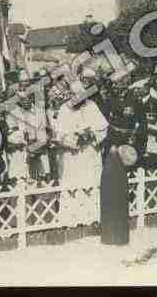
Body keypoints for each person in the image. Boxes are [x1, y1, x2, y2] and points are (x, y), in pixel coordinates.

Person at [52, 89, 108, 227]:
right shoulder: (64, 108)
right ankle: (70, 220)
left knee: (91, 184)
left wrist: (89, 136)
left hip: (89, 153)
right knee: (71, 186)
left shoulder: (92, 106)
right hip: (72, 155)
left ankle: (93, 218)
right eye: (73, 95)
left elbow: (103, 129)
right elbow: (59, 134)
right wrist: (74, 141)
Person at [100, 145, 136, 245]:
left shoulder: (114, 165)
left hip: (116, 180)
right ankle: (114, 237)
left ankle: (116, 237)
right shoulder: (111, 164)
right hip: (112, 179)